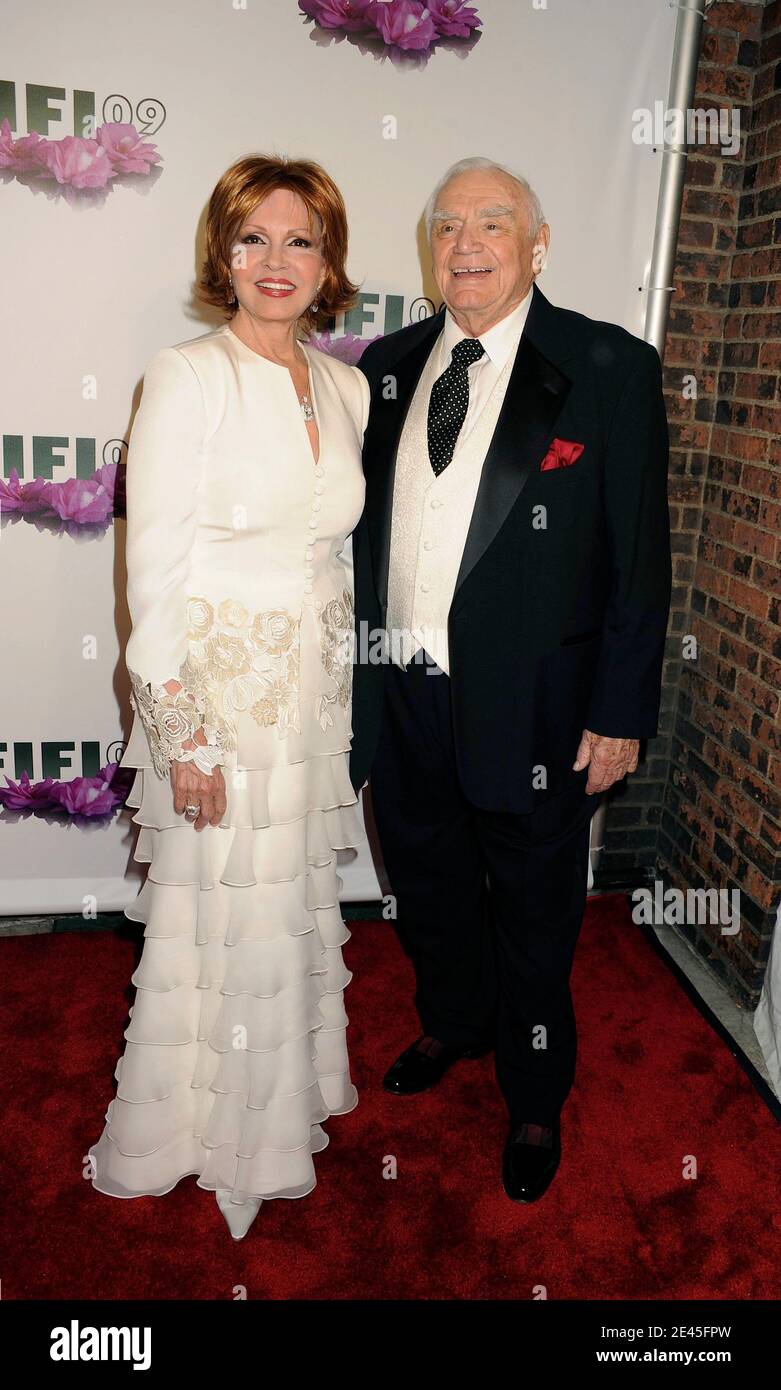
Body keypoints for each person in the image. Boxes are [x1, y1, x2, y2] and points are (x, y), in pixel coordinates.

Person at [350, 156, 672, 1204]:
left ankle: (534, 1093)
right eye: (448, 225)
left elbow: (640, 556)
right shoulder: (386, 368)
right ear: (427, 247)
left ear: (538, 245)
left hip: (539, 712)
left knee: (535, 917)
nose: (468, 243)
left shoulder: (606, 366)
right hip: (402, 692)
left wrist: (619, 712)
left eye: (494, 222)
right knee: (429, 889)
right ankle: (454, 1020)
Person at [88, 155, 369, 1240]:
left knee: (283, 906)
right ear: (222, 253)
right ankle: (210, 1136)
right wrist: (183, 735)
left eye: (299, 240)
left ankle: (281, 1101)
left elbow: (330, 560)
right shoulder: (187, 373)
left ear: (329, 259)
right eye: (253, 237)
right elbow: (149, 575)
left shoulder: (344, 387)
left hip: (309, 707)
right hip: (214, 705)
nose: (275, 261)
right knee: (220, 917)